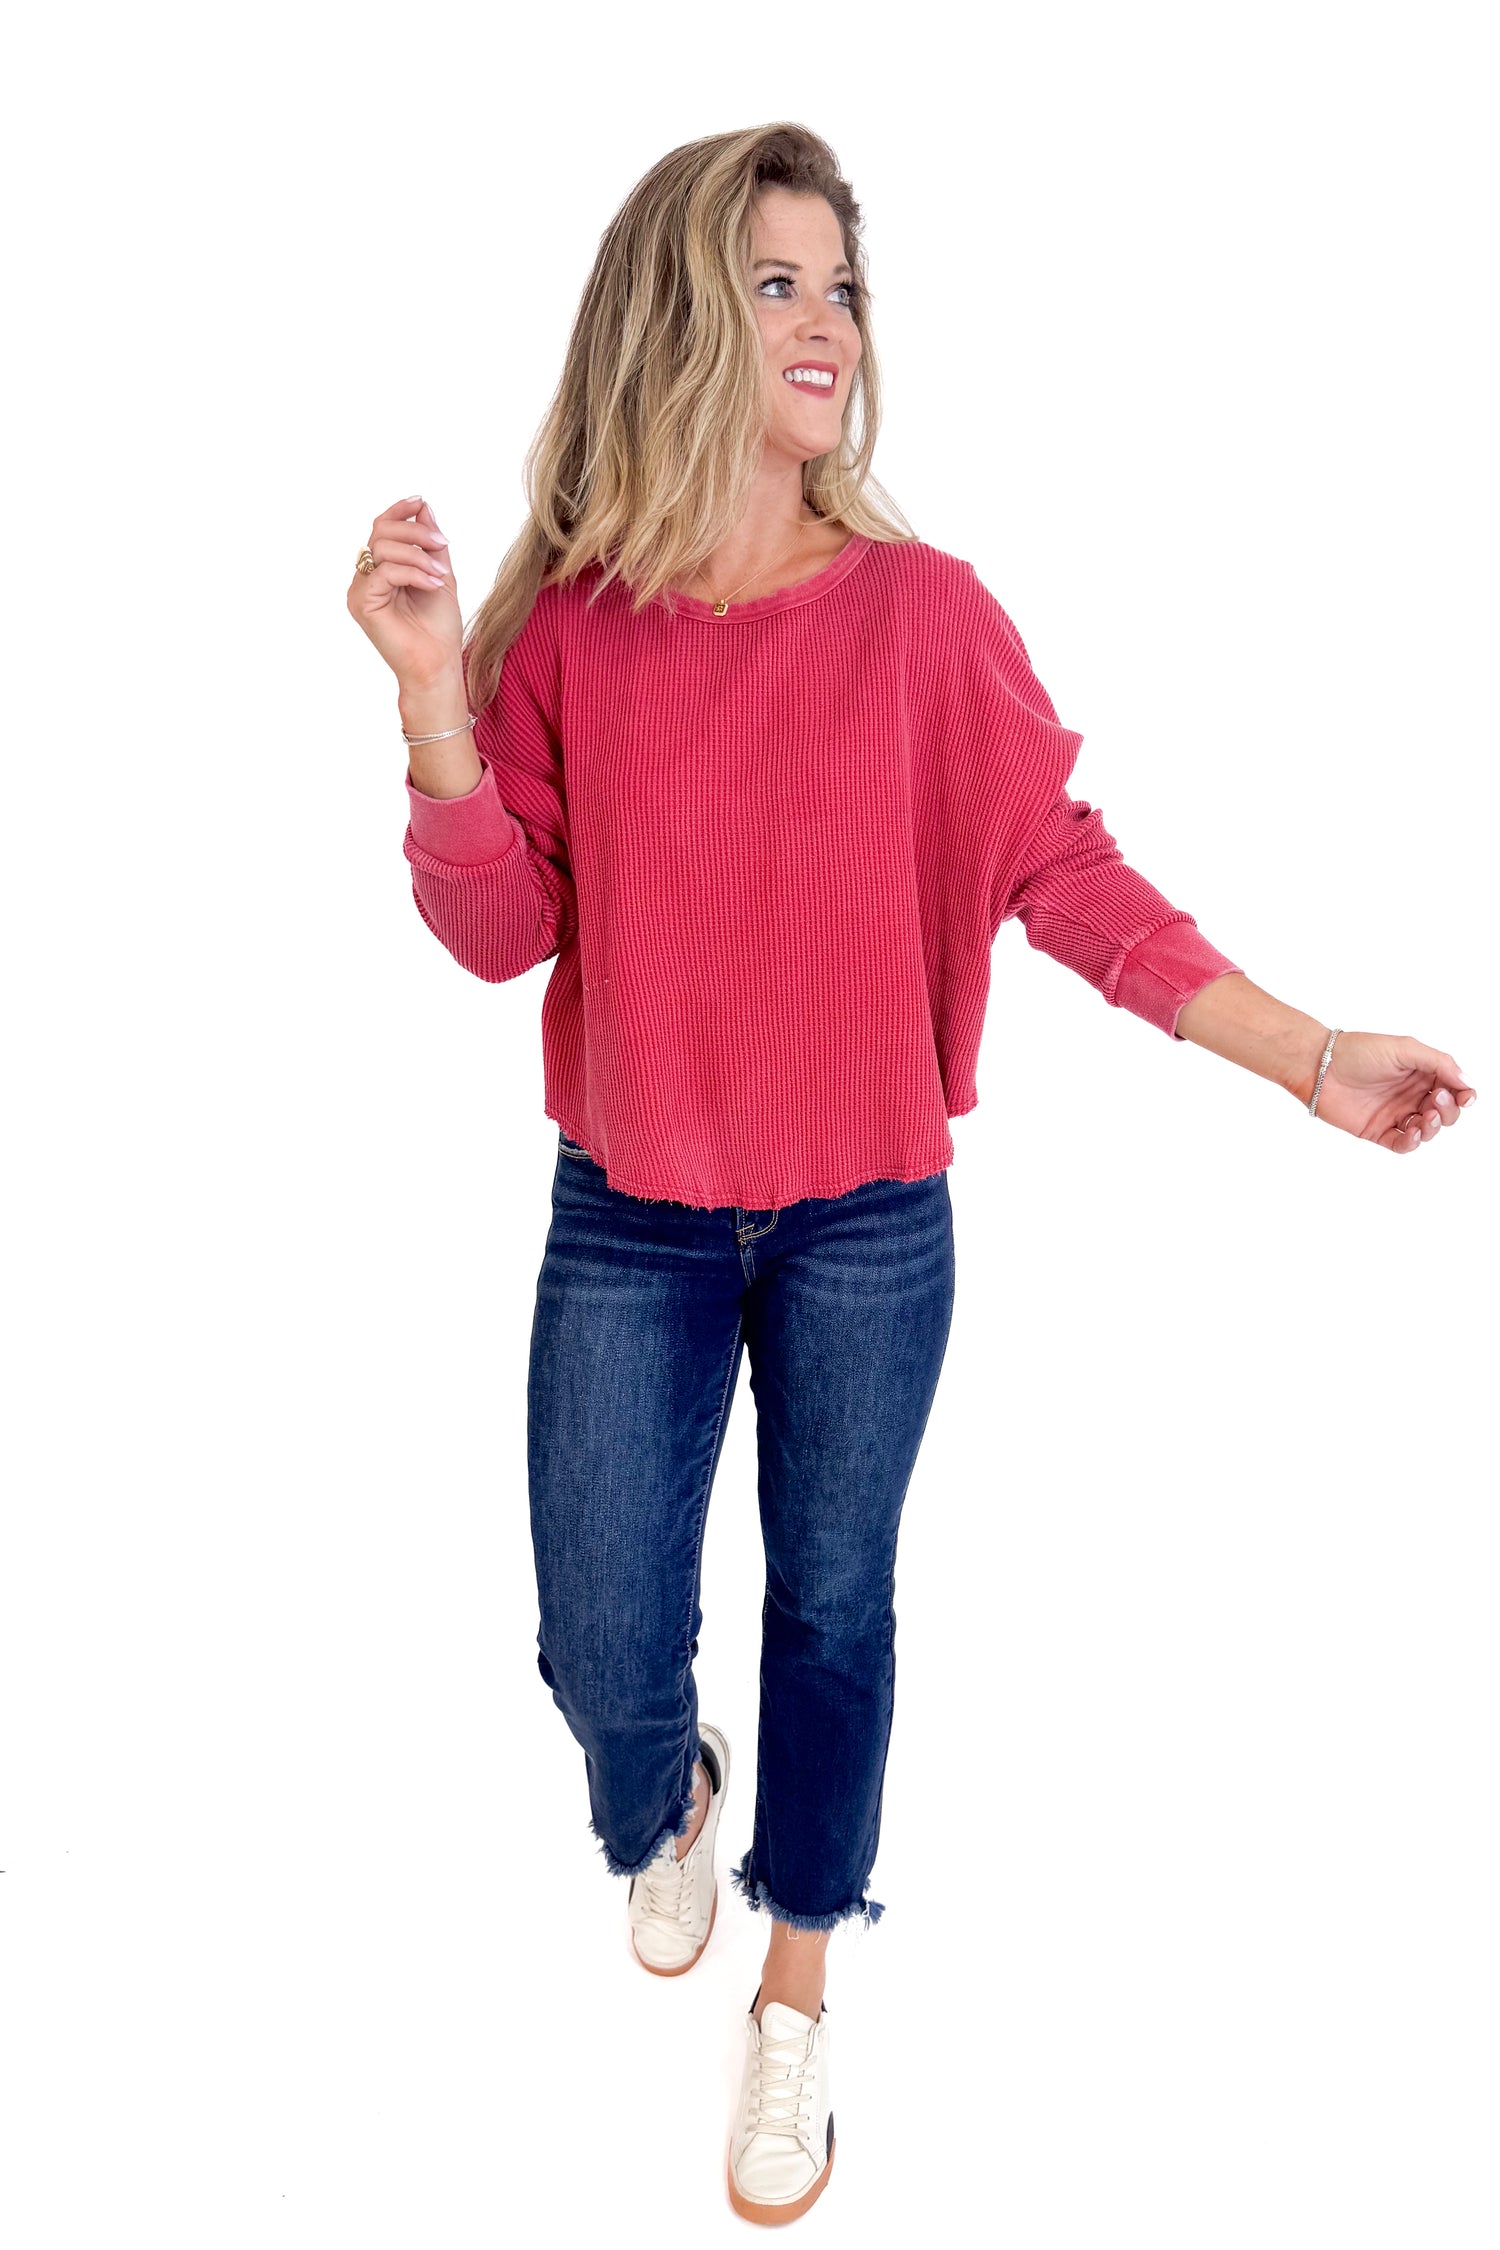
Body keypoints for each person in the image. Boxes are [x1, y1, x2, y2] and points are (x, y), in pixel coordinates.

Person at [346, 122, 1477, 2226]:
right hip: (637, 1208)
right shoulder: (583, 632)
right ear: (680, 317)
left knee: (836, 1602)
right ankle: (661, 1793)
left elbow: (1065, 872)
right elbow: (503, 931)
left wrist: (1303, 1050)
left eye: (843, 286)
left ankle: (796, 2005)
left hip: (868, 1216)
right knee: (602, 1643)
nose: (825, 325)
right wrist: (433, 702)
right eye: (777, 283)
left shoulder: (924, 620)